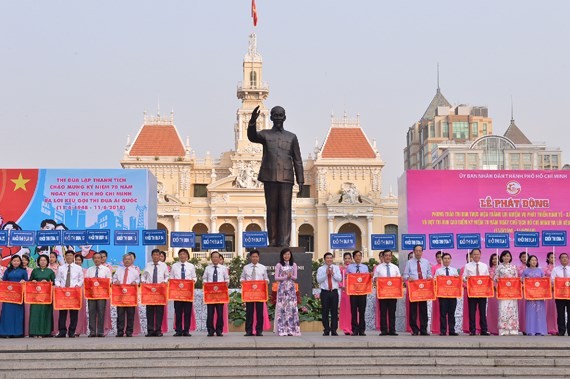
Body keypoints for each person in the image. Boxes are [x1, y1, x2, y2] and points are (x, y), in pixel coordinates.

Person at [247, 105, 304, 247]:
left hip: (286, 177)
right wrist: (252, 121)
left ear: (285, 117)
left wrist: (301, 180)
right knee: (271, 209)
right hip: (270, 176)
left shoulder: (291, 137)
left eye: (281, 115)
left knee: (285, 209)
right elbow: (252, 136)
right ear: (271, 117)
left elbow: (297, 160)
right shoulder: (266, 134)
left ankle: (284, 241)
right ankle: (272, 240)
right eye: (275, 115)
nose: (278, 118)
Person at [403, 244, 432, 336]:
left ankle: (423, 329)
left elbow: (429, 274)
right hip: (414, 289)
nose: (418, 252)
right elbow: (405, 275)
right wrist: (409, 278)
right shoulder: (409, 262)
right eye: (417, 251)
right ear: (414, 252)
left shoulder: (426, 262)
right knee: (413, 310)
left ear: (422, 252)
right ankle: (414, 329)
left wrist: (429, 277)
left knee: (424, 310)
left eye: (420, 251)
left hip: (423, 289)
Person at [240, 249, 270, 336]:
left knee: (259, 312)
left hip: (259, 294)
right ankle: (248, 331)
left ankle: (259, 330)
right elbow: (242, 278)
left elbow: (266, 278)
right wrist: (242, 281)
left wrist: (266, 282)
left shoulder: (263, 267)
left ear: (259, 258)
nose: (254, 258)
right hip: (249, 294)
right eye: (253, 256)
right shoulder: (246, 267)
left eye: (256, 256)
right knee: (249, 312)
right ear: (250, 257)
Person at [55, 250, 84, 338]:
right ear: (65, 257)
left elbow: (81, 279)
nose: (69, 257)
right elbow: (57, 279)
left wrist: (77, 285)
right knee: (62, 313)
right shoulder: (61, 268)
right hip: (63, 293)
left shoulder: (78, 268)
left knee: (74, 313)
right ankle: (62, 331)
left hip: (74, 293)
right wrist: (59, 286)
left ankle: (72, 331)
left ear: (73, 256)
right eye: (67, 255)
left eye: (70, 255)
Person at [141, 249, 169, 337]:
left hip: (160, 291)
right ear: (152, 256)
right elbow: (143, 276)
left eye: (157, 255)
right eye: (154, 255)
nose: (156, 256)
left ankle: (158, 330)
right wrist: (143, 281)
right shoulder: (148, 265)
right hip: (149, 291)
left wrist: (164, 281)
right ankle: (150, 330)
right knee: (149, 311)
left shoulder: (164, 265)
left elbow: (167, 276)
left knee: (159, 311)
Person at [170, 248, 197, 337]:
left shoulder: (191, 266)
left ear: (187, 256)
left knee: (187, 312)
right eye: (180, 254)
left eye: (184, 254)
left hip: (187, 293)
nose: (182, 256)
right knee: (178, 312)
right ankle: (178, 330)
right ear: (179, 256)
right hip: (177, 293)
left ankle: (186, 330)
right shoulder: (174, 266)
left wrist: (193, 281)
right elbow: (171, 278)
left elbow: (194, 277)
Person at [274, 248, 301, 336]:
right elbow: (276, 278)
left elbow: (295, 277)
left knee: (291, 308)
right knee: (282, 308)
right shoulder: (279, 265)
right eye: (285, 254)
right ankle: (283, 329)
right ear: (282, 255)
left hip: (291, 289)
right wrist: (286, 277)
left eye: (288, 254)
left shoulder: (294, 265)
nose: (287, 256)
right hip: (282, 288)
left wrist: (291, 276)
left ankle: (292, 329)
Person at [373, 249, 400, 336]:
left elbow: (398, 279)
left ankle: (392, 330)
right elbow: (374, 278)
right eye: (386, 255)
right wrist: (375, 279)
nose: (388, 257)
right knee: (383, 312)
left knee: (392, 312)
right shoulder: (378, 267)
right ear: (383, 257)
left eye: (389, 255)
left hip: (393, 294)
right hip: (382, 294)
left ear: (391, 257)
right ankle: (384, 330)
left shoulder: (395, 267)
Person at [463, 248, 490, 336]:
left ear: (480, 255)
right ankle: (472, 330)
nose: (476, 256)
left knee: (482, 311)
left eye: (477, 254)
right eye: (474, 254)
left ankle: (484, 330)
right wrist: (466, 278)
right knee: (472, 311)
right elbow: (463, 277)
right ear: (471, 255)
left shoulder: (484, 266)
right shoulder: (467, 266)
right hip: (472, 292)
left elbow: (487, 278)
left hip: (482, 292)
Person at [84, 252, 112, 337]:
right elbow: (86, 281)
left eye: (98, 258)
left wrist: (101, 282)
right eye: (95, 258)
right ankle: (92, 331)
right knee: (91, 312)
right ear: (93, 259)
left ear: (101, 259)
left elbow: (110, 281)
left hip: (102, 295)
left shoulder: (106, 269)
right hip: (91, 295)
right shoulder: (89, 270)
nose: (97, 259)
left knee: (101, 312)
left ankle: (100, 331)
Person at [113, 253, 140, 337]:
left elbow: (138, 279)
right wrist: (115, 281)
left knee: (130, 314)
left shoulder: (135, 271)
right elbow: (114, 278)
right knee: (120, 314)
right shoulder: (119, 270)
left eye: (129, 259)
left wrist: (135, 282)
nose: (127, 261)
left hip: (130, 296)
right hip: (120, 296)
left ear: (132, 260)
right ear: (123, 261)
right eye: (125, 259)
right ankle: (120, 331)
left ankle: (129, 331)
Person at [202, 251, 229, 337]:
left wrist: (226, 283)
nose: (215, 259)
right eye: (213, 257)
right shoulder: (207, 268)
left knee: (220, 313)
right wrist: (205, 283)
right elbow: (204, 279)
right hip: (210, 295)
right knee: (210, 313)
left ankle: (219, 330)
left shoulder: (224, 268)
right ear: (211, 258)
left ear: (219, 258)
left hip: (220, 294)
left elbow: (227, 279)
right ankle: (210, 330)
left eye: (217, 257)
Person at [0, 255, 28, 337]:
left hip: (18, 297)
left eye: (18, 261)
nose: (16, 262)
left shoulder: (23, 271)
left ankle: (17, 333)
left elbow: (27, 283)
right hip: (8, 297)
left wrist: (24, 282)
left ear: (20, 262)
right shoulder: (7, 271)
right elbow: (3, 282)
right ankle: (5, 332)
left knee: (17, 314)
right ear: (11, 262)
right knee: (7, 314)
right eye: (14, 261)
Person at [29, 254, 55, 338]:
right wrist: (32, 281)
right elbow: (29, 282)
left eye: (44, 260)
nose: (43, 262)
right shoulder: (35, 271)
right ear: (38, 262)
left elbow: (55, 283)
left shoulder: (50, 271)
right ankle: (34, 332)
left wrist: (48, 283)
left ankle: (45, 332)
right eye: (41, 260)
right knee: (35, 313)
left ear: (47, 262)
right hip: (35, 297)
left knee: (45, 313)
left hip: (46, 297)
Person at [494, 250, 519, 336]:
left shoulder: (513, 267)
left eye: (508, 256)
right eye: (504, 256)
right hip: (503, 292)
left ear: (510, 257)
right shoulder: (499, 267)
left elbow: (516, 279)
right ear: (501, 257)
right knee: (503, 309)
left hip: (512, 292)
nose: (506, 257)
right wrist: (497, 280)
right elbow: (495, 277)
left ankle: (513, 329)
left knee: (513, 309)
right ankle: (503, 329)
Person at [316, 252, 342, 336]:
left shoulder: (336, 268)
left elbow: (339, 279)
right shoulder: (321, 269)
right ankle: (326, 329)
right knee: (325, 311)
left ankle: (334, 329)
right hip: (325, 292)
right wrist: (326, 274)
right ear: (324, 259)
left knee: (334, 311)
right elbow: (319, 280)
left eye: (331, 258)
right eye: (327, 258)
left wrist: (333, 274)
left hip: (334, 292)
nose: (329, 259)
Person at [434, 253, 459, 336]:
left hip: (452, 295)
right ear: (442, 260)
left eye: (448, 258)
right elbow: (434, 281)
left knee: (452, 313)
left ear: (450, 260)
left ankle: (452, 330)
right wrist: (438, 278)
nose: (447, 260)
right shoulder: (439, 271)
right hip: (443, 295)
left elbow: (458, 282)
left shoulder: (454, 270)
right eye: (445, 258)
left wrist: (456, 278)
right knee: (443, 313)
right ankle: (443, 330)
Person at [521, 255, 547, 336]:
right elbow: (521, 282)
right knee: (531, 312)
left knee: (540, 312)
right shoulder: (525, 271)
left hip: (539, 296)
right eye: (532, 260)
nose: (534, 261)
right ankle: (531, 330)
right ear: (529, 262)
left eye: (535, 260)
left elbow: (544, 282)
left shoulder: (541, 271)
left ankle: (540, 330)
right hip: (530, 296)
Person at [346, 250, 369, 336]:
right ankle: (355, 329)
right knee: (354, 311)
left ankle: (362, 330)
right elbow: (347, 278)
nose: (358, 257)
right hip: (353, 292)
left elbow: (367, 278)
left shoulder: (365, 267)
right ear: (353, 258)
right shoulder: (350, 267)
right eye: (356, 256)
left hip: (363, 292)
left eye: (359, 256)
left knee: (362, 311)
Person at [550, 253, 570, 336]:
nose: (564, 259)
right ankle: (561, 331)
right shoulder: (555, 269)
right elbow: (552, 280)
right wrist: (560, 283)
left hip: (569, 295)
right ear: (559, 260)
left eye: (566, 257)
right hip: (559, 295)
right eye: (562, 258)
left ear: (568, 259)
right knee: (560, 313)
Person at [74, 254, 88, 337]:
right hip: (72, 292)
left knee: (80, 311)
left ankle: (79, 329)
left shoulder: (85, 271)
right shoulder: (70, 269)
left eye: (79, 260)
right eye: (76, 260)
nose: (77, 261)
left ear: (82, 262)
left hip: (81, 292)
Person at [544, 252, 558, 335]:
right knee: (547, 309)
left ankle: (555, 328)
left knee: (556, 310)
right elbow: (543, 279)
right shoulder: (545, 269)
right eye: (551, 257)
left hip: (557, 292)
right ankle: (546, 327)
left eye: (554, 257)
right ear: (548, 259)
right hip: (548, 291)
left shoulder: (558, 268)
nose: (553, 259)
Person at [339, 252, 353, 335]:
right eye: (346, 258)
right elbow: (337, 279)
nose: (347, 260)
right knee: (346, 309)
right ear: (343, 259)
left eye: (349, 258)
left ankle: (353, 327)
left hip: (354, 291)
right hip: (345, 291)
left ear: (351, 259)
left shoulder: (354, 268)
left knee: (353, 309)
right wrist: (341, 285)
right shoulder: (341, 269)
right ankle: (346, 328)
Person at [431, 251, 443, 335]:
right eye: (438, 257)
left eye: (440, 257)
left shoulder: (449, 268)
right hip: (437, 291)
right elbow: (432, 279)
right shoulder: (434, 268)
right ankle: (436, 328)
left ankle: (445, 328)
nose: (439, 258)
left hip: (446, 293)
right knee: (437, 310)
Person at [487, 253, 499, 335]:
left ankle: (500, 328)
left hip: (501, 292)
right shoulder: (488, 270)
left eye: (496, 258)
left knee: (500, 309)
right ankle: (492, 328)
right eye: (493, 259)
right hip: (492, 292)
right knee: (492, 309)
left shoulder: (501, 269)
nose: (495, 260)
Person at [517, 251, 528, 335]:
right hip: (521, 290)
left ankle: (530, 327)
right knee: (522, 309)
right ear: (520, 258)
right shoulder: (517, 268)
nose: (525, 258)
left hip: (532, 292)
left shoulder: (534, 267)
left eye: (526, 256)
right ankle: (522, 327)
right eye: (523, 256)